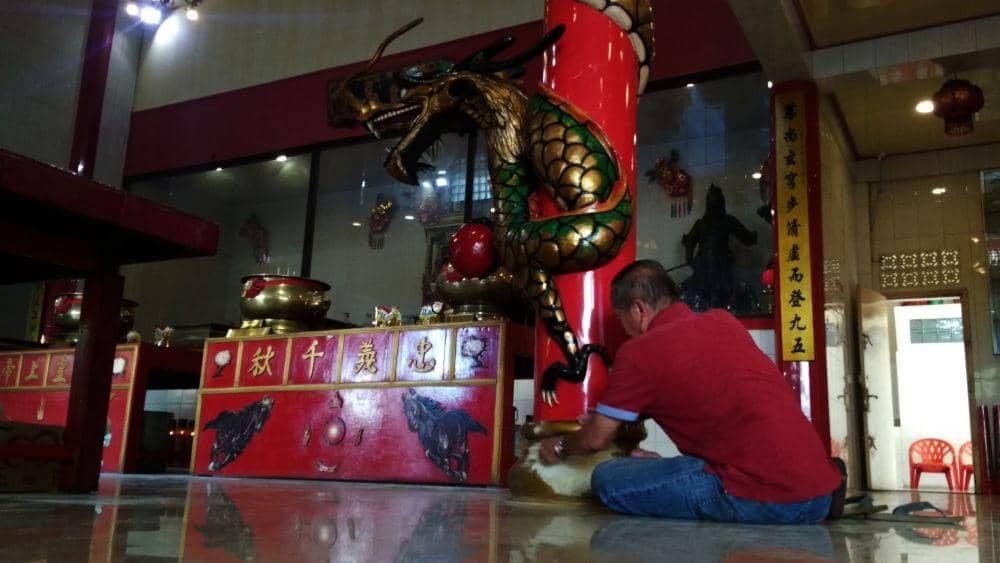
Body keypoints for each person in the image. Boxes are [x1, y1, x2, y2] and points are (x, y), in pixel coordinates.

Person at [538, 260, 844, 524]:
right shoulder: (724, 322)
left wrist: (562, 446)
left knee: (608, 479)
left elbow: (595, 440)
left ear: (638, 309)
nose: (623, 327)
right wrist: (609, 415)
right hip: (817, 490)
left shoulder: (639, 351)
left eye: (621, 318)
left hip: (769, 498)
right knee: (659, 467)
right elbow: (688, 387)